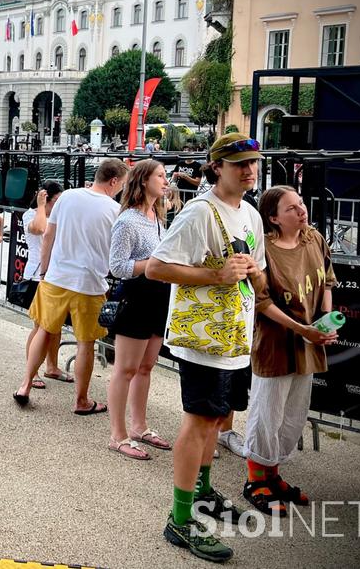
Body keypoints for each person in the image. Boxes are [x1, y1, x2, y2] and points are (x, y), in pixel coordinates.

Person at [146, 133, 267, 563]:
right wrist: (216, 276)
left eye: (253, 163)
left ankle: (201, 493)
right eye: (240, 165)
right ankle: (179, 520)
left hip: (234, 337)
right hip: (202, 340)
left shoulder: (250, 216)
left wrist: (253, 272)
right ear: (217, 167)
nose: (250, 171)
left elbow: (261, 279)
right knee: (198, 424)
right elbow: (157, 267)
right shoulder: (200, 213)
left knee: (216, 420)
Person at [244, 185, 337, 515]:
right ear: (273, 218)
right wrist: (303, 329)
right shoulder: (264, 251)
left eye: (301, 204)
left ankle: (274, 474)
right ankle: (256, 480)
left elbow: (327, 278)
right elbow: (262, 301)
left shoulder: (314, 238)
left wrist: (326, 319)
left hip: (309, 342)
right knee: (267, 412)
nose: (302, 211)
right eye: (292, 208)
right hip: (274, 344)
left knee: (294, 413)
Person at [14, 158, 128, 408]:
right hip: (89, 281)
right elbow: (114, 254)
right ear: (114, 181)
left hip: (57, 275)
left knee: (43, 330)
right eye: (122, 184)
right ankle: (82, 400)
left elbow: (49, 237)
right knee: (85, 343)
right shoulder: (114, 210)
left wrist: (44, 271)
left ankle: (25, 384)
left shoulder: (66, 197)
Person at [106, 160, 173, 461]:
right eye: (160, 175)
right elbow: (117, 266)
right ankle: (117, 435)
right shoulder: (128, 221)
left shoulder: (157, 216)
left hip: (159, 295)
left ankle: (139, 426)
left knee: (146, 367)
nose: (165, 179)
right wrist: (154, 265)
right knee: (126, 369)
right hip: (137, 295)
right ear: (144, 180)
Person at [18, 182, 68, 388]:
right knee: (40, 327)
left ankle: (52, 366)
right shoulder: (32, 215)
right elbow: (39, 229)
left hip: (56, 276)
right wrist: (40, 206)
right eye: (56, 201)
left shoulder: (57, 216)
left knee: (55, 328)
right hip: (37, 276)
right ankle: (33, 371)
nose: (58, 205)